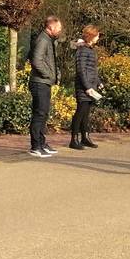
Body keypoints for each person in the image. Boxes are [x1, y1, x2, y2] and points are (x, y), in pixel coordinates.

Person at [28, 15, 62, 158]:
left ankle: (42, 143)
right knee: (39, 114)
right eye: (59, 27)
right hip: (39, 82)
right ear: (51, 26)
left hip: (44, 82)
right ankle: (36, 146)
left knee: (43, 114)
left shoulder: (48, 40)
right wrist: (48, 75)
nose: (60, 30)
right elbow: (36, 60)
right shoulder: (43, 39)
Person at [70, 25, 103, 151]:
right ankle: (74, 139)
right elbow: (81, 70)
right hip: (84, 87)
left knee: (86, 114)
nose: (98, 37)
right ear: (91, 35)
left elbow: (92, 69)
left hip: (91, 86)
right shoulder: (83, 50)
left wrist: (98, 82)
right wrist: (87, 87)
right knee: (80, 112)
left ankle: (85, 137)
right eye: (97, 35)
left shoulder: (90, 50)